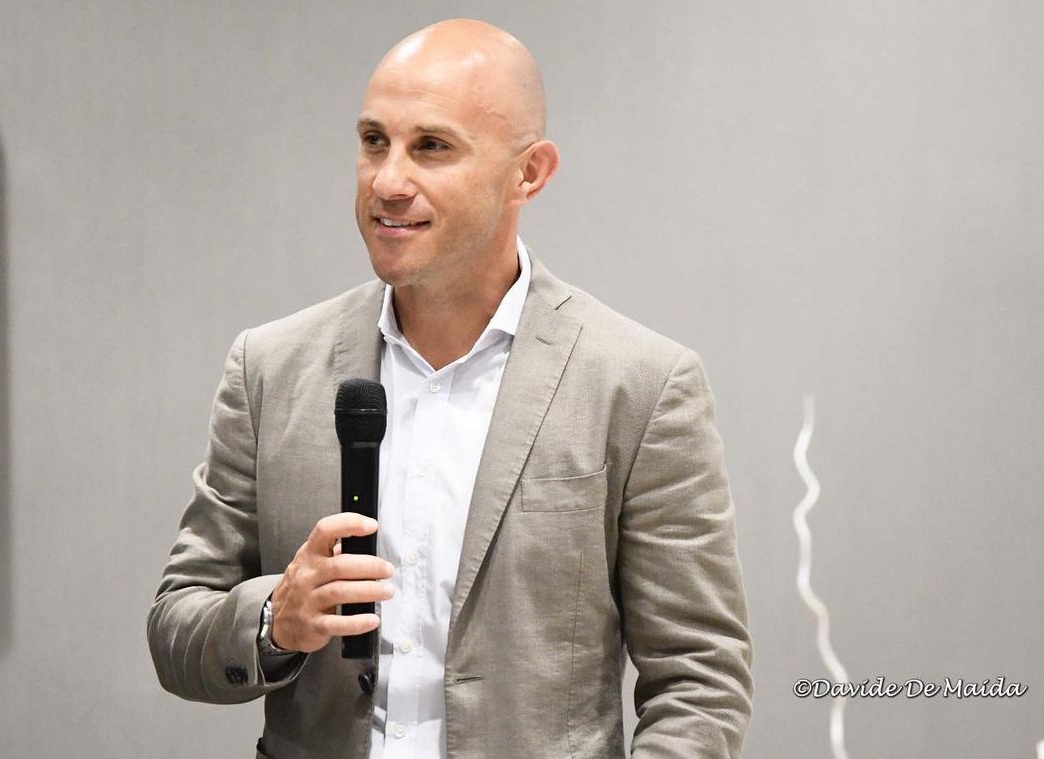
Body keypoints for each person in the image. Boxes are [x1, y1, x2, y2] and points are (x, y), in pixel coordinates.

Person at [147, 18, 752, 759]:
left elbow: (701, 681)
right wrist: (276, 618)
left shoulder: (640, 386)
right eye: (374, 141)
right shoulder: (270, 367)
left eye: (431, 146)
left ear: (529, 173)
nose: (387, 181)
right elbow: (177, 626)